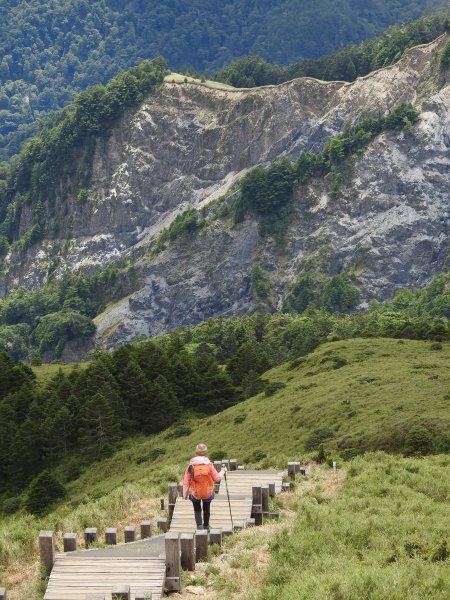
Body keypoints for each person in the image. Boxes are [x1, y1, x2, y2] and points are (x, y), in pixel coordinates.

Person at [182, 442, 226, 530]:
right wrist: (223, 471)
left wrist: (185, 495)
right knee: (206, 508)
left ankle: (199, 526)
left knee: (197, 509)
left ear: (195, 453)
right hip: (207, 492)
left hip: (195, 493)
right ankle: (206, 525)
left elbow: (186, 482)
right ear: (206, 453)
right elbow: (217, 478)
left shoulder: (191, 466)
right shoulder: (209, 465)